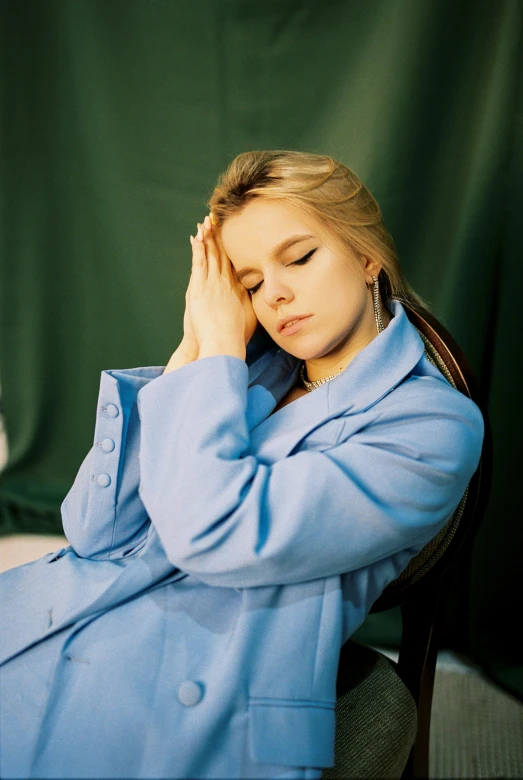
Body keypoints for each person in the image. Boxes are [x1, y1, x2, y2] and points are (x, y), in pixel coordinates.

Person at [0, 150, 484, 780]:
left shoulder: (432, 426)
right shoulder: (253, 369)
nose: (276, 295)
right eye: (250, 283)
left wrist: (221, 349)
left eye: (301, 257)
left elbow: (211, 533)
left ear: (368, 257)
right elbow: (96, 532)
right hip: (67, 616)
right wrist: (194, 346)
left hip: (194, 683)